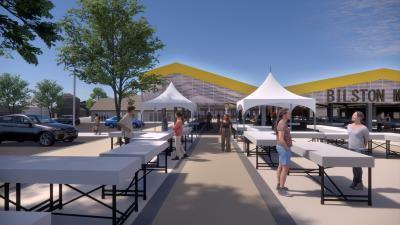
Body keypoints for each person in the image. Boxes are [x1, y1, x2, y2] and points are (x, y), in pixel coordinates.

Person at [348, 111, 369, 190]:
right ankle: (355, 181)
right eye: (353, 115)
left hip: (359, 149)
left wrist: (363, 148)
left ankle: (360, 183)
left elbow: (366, 139)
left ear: (359, 117)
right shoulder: (349, 126)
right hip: (351, 148)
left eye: (354, 115)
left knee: (358, 166)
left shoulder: (364, 128)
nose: (352, 116)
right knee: (354, 166)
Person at [275, 108, 292, 197]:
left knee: (281, 166)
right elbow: (281, 138)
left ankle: (279, 185)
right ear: (284, 114)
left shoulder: (283, 123)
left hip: (282, 147)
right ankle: (281, 188)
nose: (290, 115)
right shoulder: (282, 124)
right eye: (289, 113)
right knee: (285, 168)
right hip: (283, 148)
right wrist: (287, 148)